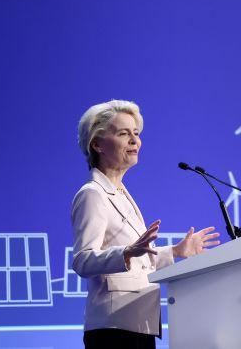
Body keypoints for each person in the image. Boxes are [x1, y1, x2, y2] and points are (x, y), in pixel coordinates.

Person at [71, 100, 220, 348]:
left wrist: (176, 251)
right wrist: (126, 253)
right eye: (123, 133)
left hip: (139, 322)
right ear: (97, 144)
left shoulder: (122, 194)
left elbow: (139, 259)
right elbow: (82, 260)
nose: (134, 141)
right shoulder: (93, 194)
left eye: (136, 134)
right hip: (113, 328)